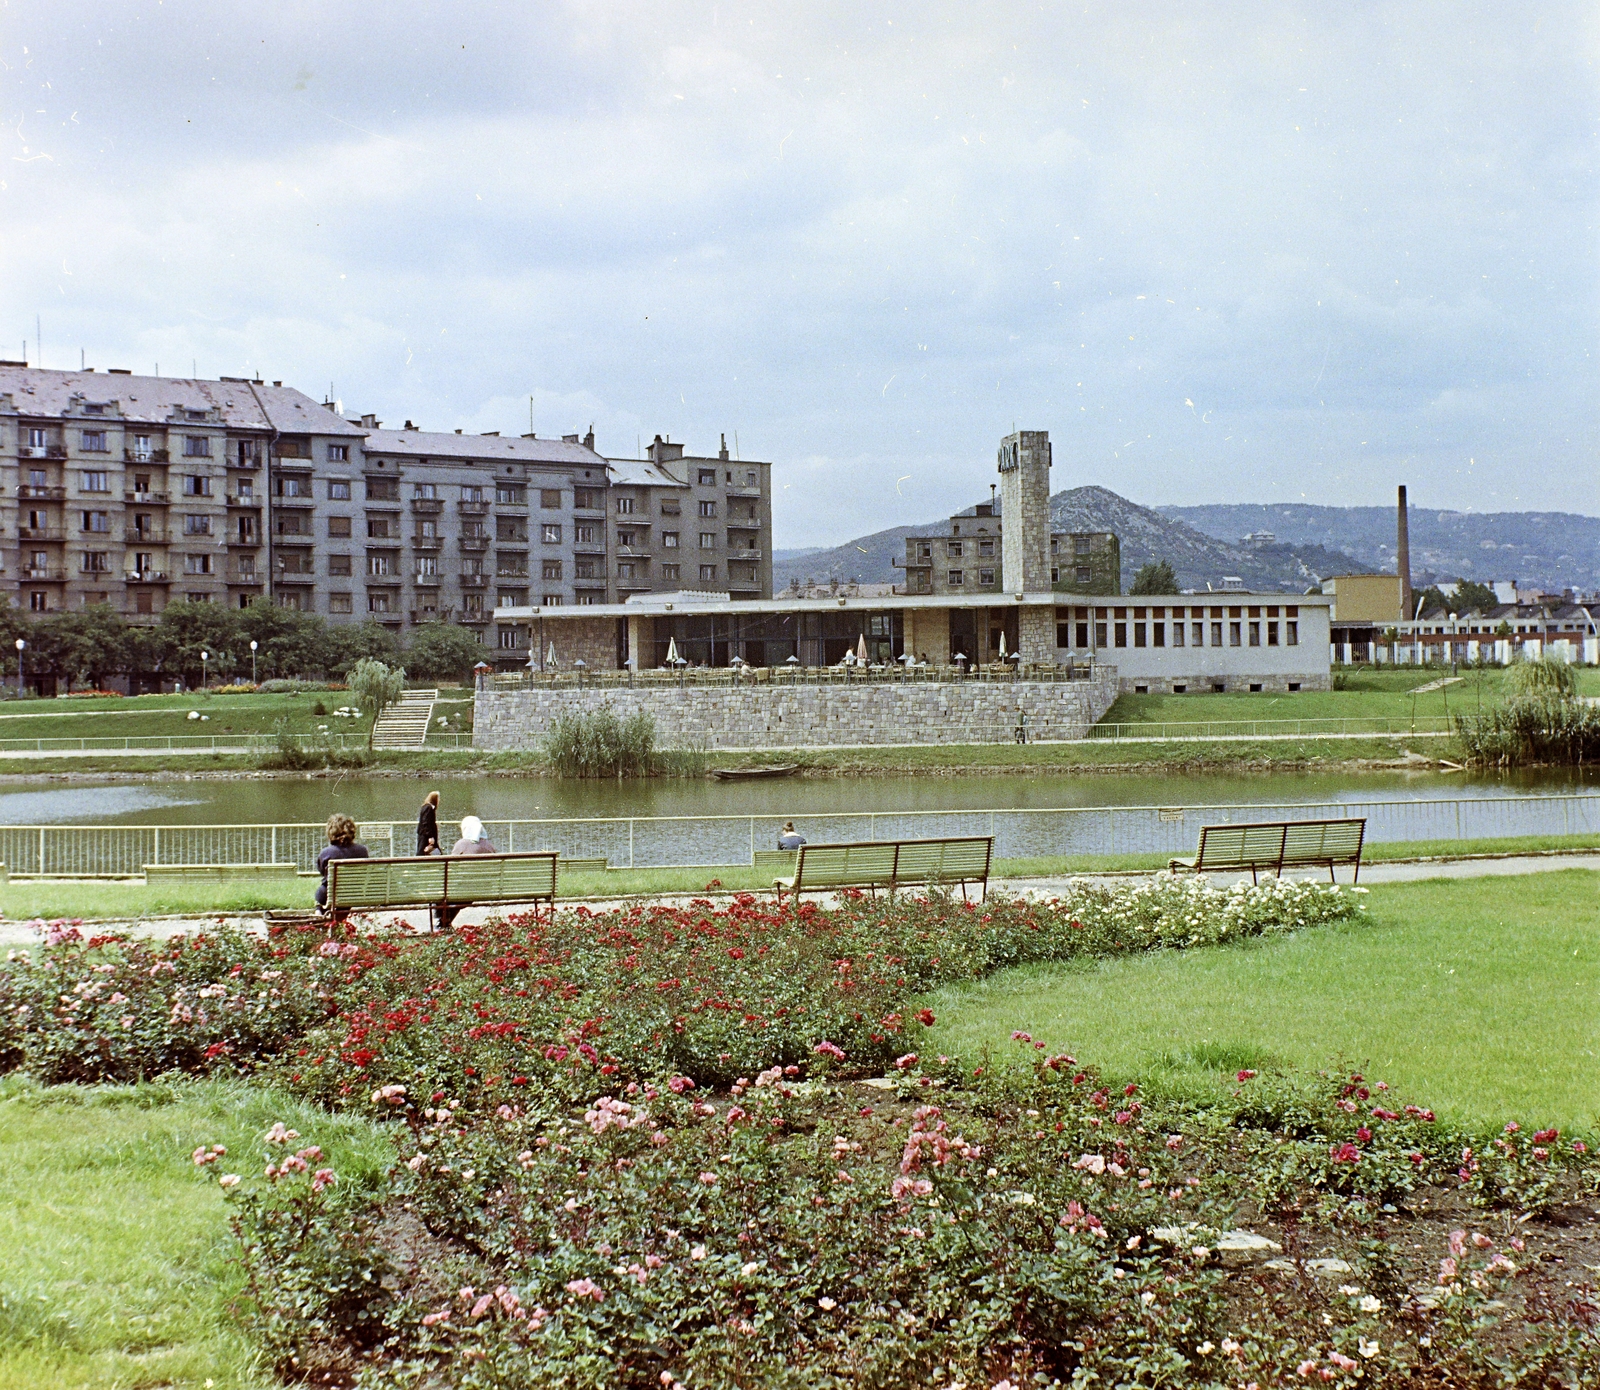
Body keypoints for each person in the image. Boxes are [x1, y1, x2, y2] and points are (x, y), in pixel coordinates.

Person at [440, 816, 498, 930]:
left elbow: (451, 865)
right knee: (460, 894)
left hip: (466, 888)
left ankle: (443, 923)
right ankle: (445, 923)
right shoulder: (489, 846)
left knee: (445, 894)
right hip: (487, 887)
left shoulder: (462, 844)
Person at [315, 813, 369, 912]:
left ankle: (319, 912)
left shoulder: (326, 853)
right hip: (356, 893)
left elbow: (322, 872)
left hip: (331, 895)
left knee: (321, 892)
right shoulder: (363, 851)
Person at [416, 790, 441, 856]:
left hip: (425, 834)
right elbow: (426, 822)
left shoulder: (427, 807)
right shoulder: (428, 808)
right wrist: (430, 836)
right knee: (422, 852)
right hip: (426, 835)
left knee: (426, 851)